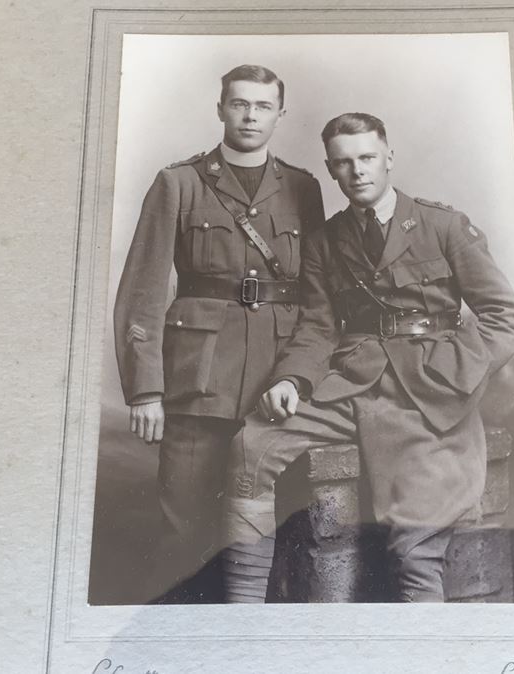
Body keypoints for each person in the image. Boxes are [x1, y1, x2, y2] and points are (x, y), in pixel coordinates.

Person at [221, 112, 514, 603]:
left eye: (366, 157)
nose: (357, 171)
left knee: (416, 545)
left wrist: (459, 377)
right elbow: (318, 327)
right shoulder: (326, 240)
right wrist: (292, 382)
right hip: (355, 382)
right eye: (343, 163)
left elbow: (505, 317)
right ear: (330, 169)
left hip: (430, 392)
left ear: (389, 157)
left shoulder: (442, 225)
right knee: (251, 446)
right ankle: (241, 620)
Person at [114, 65, 324, 603]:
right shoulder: (178, 182)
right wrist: (146, 389)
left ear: (281, 113)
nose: (250, 116)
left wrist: (298, 377)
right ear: (221, 108)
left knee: (275, 535)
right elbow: (142, 288)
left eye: (262, 106)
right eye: (239, 104)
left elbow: (317, 297)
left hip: (277, 390)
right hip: (197, 385)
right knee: (186, 531)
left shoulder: (302, 187)